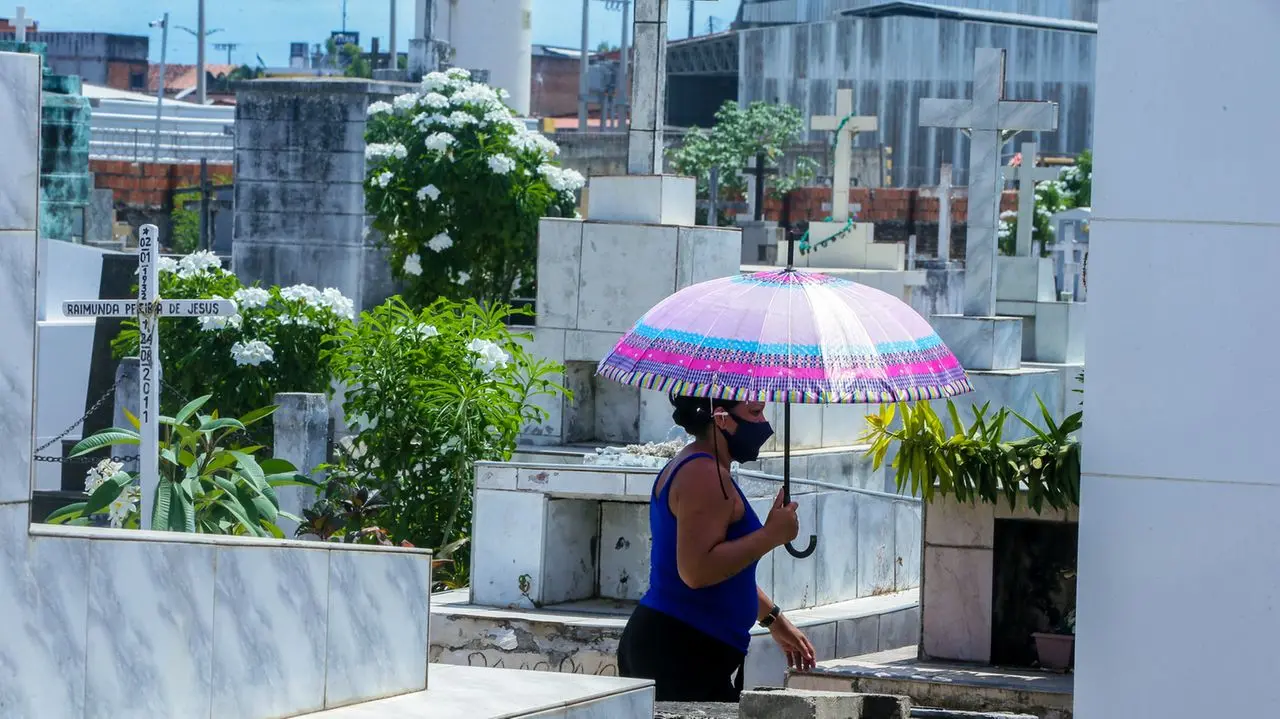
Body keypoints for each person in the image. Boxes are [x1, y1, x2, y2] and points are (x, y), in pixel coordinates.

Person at [617, 394, 817, 701]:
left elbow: (728, 571)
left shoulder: (707, 467)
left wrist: (774, 620)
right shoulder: (703, 473)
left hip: (690, 648)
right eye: (755, 412)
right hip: (680, 650)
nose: (763, 423)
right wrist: (770, 536)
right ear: (721, 417)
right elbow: (697, 571)